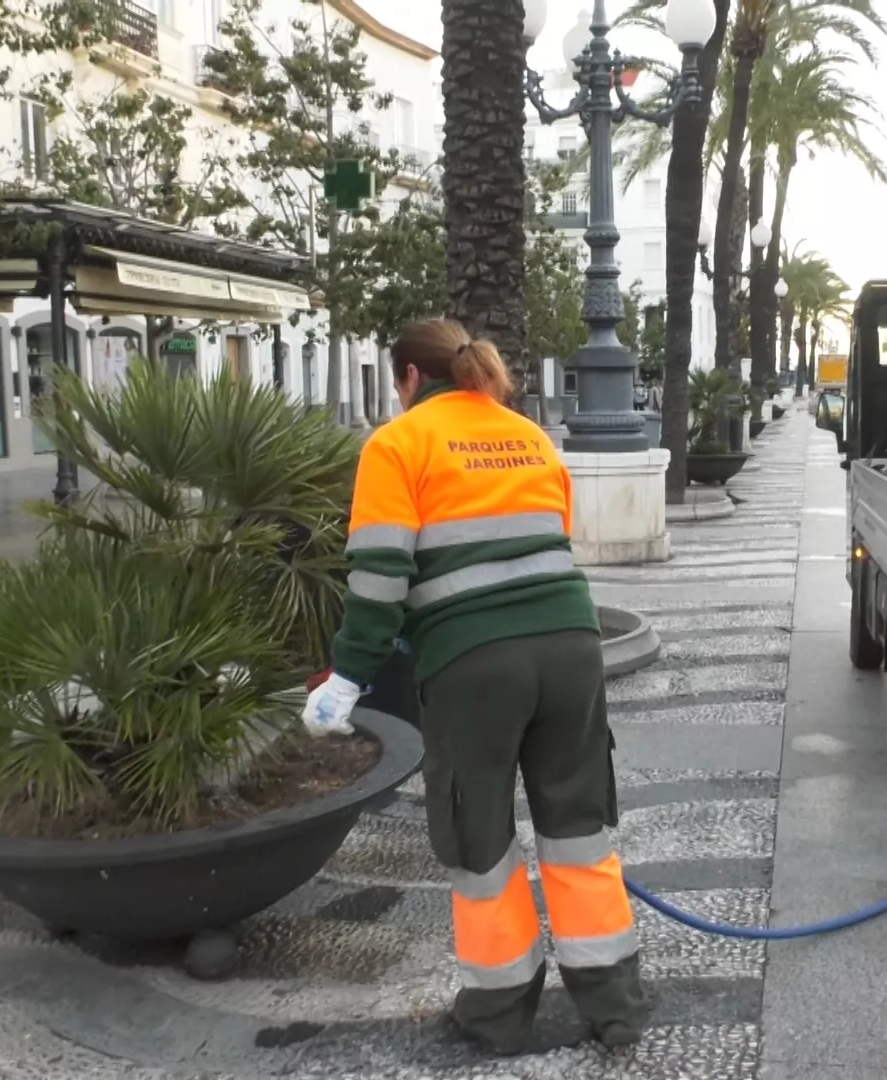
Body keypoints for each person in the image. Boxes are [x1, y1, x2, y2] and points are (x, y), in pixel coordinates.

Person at [301, 317, 648, 1055]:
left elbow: (379, 577)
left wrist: (348, 675)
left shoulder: (396, 444)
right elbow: (552, 535)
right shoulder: (527, 434)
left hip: (473, 663)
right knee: (579, 830)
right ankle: (614, 1005)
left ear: (407, 378)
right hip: (572, 646)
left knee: (479, 839)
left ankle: (496, 1014)